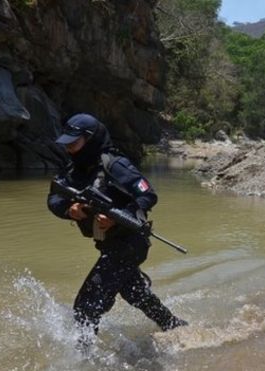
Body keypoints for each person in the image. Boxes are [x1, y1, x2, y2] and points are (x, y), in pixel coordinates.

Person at [47, 113, 187, 344]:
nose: (70, 148)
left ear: (90, 139)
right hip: (108, 244)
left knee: (85, 306)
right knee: (135, 294)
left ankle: (85, 359)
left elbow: (148, 195)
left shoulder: (116, 164)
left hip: (130, 243)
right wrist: (69, 210)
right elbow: (53, 198)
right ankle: (174, 326)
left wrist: (121, 216)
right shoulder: (73, 170)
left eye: (74, 143)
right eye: (68, 143)